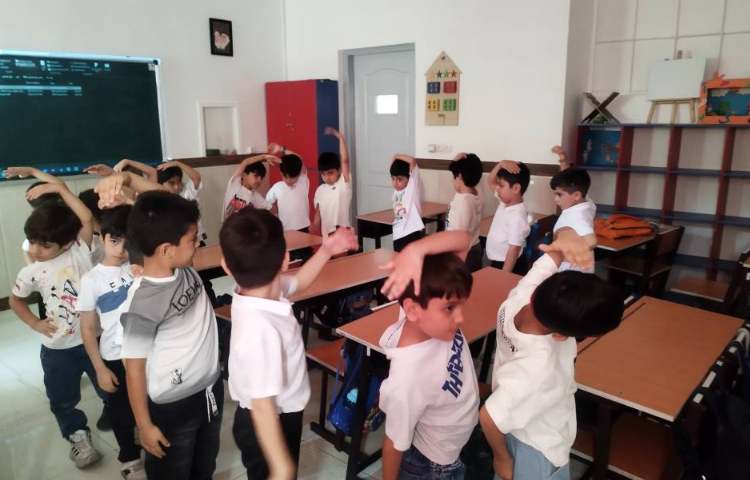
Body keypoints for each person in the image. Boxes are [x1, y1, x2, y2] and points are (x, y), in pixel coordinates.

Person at [220, 208, 357, 479]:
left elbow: (300, 281)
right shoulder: (259, 329)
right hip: (267, 423)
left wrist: (327, 250)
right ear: (285, 260)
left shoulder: (259, 289)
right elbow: (262, 408)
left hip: (282, 410)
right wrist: (281, 468)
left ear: (226, 266)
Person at [478, 229, 623, 480]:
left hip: (516, 413)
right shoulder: (540, 367)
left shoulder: (524, 295)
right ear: (561, 336)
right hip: (538, 446)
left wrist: (568, 235)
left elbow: (556, 250)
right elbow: (489, 418)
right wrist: (501, 458)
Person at [117, 190, 222, 480]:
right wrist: (144, 425)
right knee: (172, 472)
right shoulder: (142, 304)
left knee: (204, 466)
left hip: (209, 389)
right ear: (166, 250)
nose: (198, 243)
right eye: (192, 240)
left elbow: (158, 201)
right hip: (173, 408)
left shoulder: (182, 268)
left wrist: (128, 184)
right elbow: (134, 369)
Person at [8, 182, 105, 469]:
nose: (35, 250)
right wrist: (35, 323)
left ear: (66, 242)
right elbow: (15, 300)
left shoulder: (80, 251)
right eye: (32, 241)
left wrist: (60, 188)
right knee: (62, 399)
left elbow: (85, 217)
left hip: (95, 340)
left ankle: (126, 422)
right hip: (57, 348)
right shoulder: (31, 270)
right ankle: (78, 437)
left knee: (111, 388)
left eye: (44, 245)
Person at [378, 231, 479, 480]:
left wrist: (416, 250)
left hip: (453, 442)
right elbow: (393, 445)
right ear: (412, 310)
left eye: (461, 305)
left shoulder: (425, 309)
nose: (460, 318)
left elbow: (464, 240)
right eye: (450, 308)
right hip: (434, 466)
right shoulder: (407, 379)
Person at [77, 205, 144, 479]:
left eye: (127, 242)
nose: (120, 249)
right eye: (114, 241)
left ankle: (147, 437)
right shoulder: (91, 280)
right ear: (102, 238)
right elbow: (87, 327)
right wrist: (99, 368)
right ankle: (129, 456)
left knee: (149, 401)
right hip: (115, 356)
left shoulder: (140, 266)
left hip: (145, 351)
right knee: (121, 412)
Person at [549, 147, 596, 272]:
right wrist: (563, 160)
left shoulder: (577, 218)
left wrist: (569, 245)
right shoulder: (586, 203)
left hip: (570, 271)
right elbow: (567, 185)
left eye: (559, 195)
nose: (555, 199)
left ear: (576, 195)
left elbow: (591, 241)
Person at [485, 160, 531, 274]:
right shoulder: (504, 202)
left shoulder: (517, 216)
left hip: (509, 265)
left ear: (516, 188)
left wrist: (504, 276)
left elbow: (513, 250)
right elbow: (490, 181)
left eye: (501, 185)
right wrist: (500, 164)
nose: (497, 188)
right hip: (498, 260)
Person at [446, 153, 484, 271]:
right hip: (473, 247)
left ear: (460, 176)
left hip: (464, 254)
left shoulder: (464, 201)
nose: (452, 181)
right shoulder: (476, 192)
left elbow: (459, 236)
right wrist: (456, 161)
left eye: (453, 177)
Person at [312, 127, 353, 236]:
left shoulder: (343, 184)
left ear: (339, 170)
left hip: (343, 234)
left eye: (330, 173)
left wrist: (340, 137)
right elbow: (318, 212)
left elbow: (345, 160)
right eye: (323, 174)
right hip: (326, 235)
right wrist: (315, 225)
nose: (326, 177)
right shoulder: (320, 190)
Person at [265, 144, 311, 232]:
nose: (289, 180)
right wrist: (275, 215)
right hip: (285, 229)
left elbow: (299, 159)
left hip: (304, 227)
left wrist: (281, 149)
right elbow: (267, 203)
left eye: (293, 178)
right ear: (281, 173)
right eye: (285, 177)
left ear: (299, 174)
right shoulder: (277, 187)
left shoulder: (303, 181)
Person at [222, 154, 279, 220]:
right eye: (256, 176)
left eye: (261, 178)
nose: (259, 180)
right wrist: (264, 157)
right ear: (244, 175)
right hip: (228, 226)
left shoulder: (256, 197)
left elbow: (271, 209)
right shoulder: (235, 184)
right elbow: (245, 162)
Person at [391, 154, 424, 252]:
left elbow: (412, 161)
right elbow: (393, 168)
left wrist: (396, 156)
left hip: (411, 234)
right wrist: (394, 161)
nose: (395, 183)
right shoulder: (397, 191)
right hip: (398, 235)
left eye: (399, 179)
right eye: (393, 178)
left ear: (409, 178)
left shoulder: (412, 188)